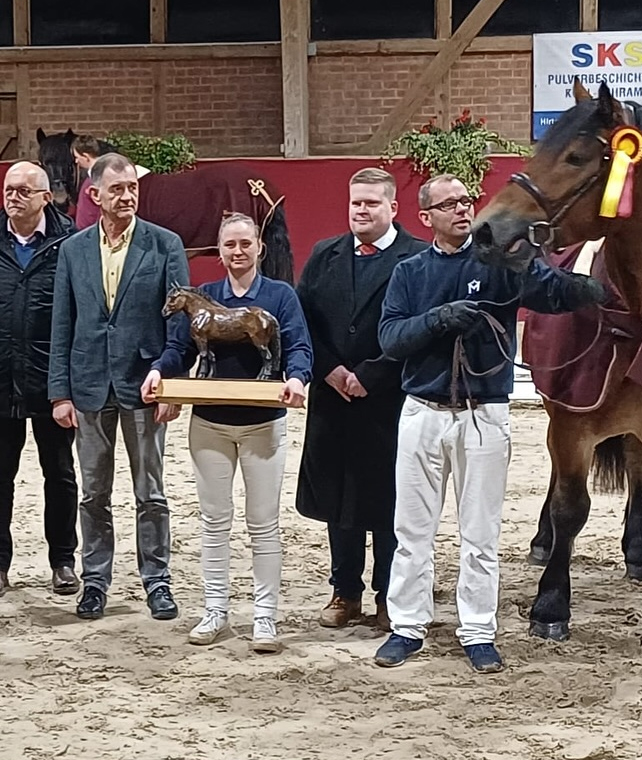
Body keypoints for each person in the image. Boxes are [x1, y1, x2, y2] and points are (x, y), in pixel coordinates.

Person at [374, 173, 607, 673]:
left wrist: (560, 274)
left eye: (467, 200)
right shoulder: (409, 272)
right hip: (423, 410)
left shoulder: (500, 263)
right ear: (426, 216)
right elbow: (390, 337)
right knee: (412, 529)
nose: (463, 209)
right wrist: (439, 319)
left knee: (480, 531)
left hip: (483, 411)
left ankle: (478, 629)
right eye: (450, 203)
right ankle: (407, 625)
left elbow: (556, 294)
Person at [142, 212, 312, 653]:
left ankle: (264, 618)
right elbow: (179, 349)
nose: (237, 252)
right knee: (214, 522)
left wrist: (297, 377)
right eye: (229, 245)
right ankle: (215, 609)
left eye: (245, 243)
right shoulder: (205, 296)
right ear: (220, 251)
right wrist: (160, 373)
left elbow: (298, 345)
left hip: (263, 426)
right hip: (210, 425)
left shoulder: (280, 296)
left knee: (263, 524)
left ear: (259, 247)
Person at [50, 152, 190, 621]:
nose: (127, 195)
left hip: (145, 385)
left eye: (131, 187)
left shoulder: (165, 244)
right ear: (95, 195)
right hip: (88, 385)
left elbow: (179, 320)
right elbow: (62, 323)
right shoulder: (72, 249)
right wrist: (59, 392)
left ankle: (157, 580)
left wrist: (171, 384)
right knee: (93, 493)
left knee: (150, 491)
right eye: (117, 189)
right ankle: (95, 581)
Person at [295, 167, 429, 632]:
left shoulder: (417, 258)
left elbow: (420, 326)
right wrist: (329, 368)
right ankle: (344, 591)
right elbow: (302, 319)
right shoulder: (324, 255)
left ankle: (390, 597)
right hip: (333, 397)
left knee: (389, 502)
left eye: (372, 203)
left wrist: (372, 374)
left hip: (388, 400)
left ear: (394, 207)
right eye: (356, 202)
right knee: (340, 499)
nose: (362, 210)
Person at [0, 161, 81, 599]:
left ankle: (63, 561)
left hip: (50, 378)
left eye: (22, 190)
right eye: (7, 189)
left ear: (44, 197)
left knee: (60, 472)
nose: (13, 197)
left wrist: (64, 381)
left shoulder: (69, 243)